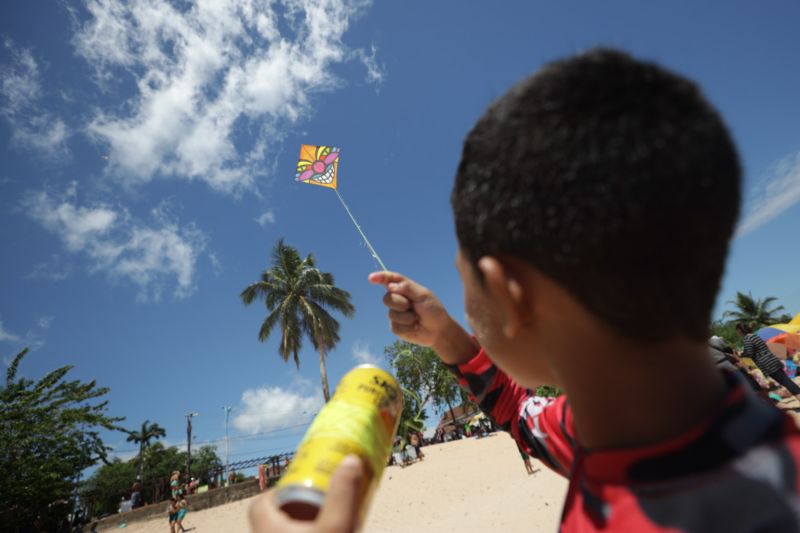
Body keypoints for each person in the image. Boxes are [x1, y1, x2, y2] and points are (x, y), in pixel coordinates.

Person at [250, 49, 800, 532]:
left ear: (509, 293)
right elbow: (518, 411)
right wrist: (448, 336)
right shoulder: (613, 426)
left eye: (465, 281)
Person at [738, 324, 800, 402]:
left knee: (786, 382)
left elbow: (749, 352)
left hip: (767, 364)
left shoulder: (747, 338)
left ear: (740, 331)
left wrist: (741, 354)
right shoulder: (754, 336)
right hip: (772, 361)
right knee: (786, 381)